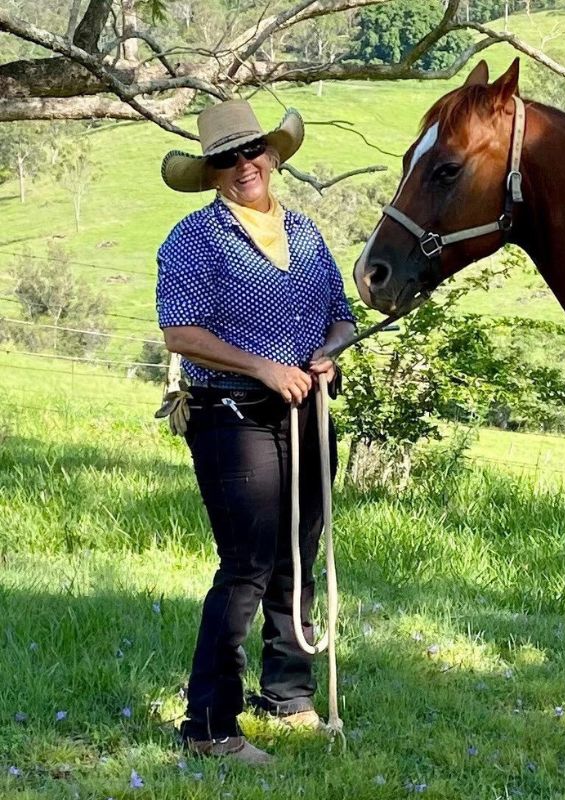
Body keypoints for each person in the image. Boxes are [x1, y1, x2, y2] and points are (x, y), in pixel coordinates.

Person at [156, 99, 355, 764]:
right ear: (211, 173)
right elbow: (181, 332)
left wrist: (329, 350)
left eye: (252, 152)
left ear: (273, 156)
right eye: (227, 159)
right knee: (245, 566)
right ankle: (209, 727)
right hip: (230, 416)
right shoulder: (193, 239)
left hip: (308, 411)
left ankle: (288, 696)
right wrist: (265, 368)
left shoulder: (305, 234)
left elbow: (341, 315)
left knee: (298, 554)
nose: (244, 166)